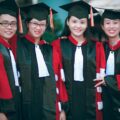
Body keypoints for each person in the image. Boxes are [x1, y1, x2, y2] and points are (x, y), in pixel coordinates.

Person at [52, 1, 106, 120]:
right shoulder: (58, 45)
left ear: (87, 24)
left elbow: (103, 74)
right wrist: (60, 107)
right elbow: (54, 78)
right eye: (74, 21)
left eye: (82, 22)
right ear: (67, 22)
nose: (78, 26)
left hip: (91, 101)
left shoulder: (97, 47)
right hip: (68, 101)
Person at [17, 2, 68, 120]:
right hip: (25, 108)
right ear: (27, 23)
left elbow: (59, 81)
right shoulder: (18, 46)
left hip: (48, 106)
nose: (38, 27)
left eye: (42, 24)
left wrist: (62, 109)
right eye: (35, 23)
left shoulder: (50, 49)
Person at [0, 0, 21, 120]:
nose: (9, 27)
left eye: (13, 24)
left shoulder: (9, 47)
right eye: (4, 23)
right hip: (5, 108)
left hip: (14, 103)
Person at [99, 9, 120, 120]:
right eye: (107, 23)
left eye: (115, 23)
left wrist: (108, 80)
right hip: (104, 102)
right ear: (102, 26)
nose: (111, 26)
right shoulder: (99, 48)